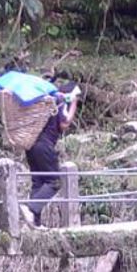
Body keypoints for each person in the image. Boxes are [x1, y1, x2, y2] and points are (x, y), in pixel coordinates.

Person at [25, 75, 81, 226]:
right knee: (54, 182)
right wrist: (73, 104)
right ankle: (30, 208)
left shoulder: (45, 102)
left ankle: (34, 222)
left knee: (38, 182)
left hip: (31, 145)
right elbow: (65, 123)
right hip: (45, 146)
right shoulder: (60, 103)